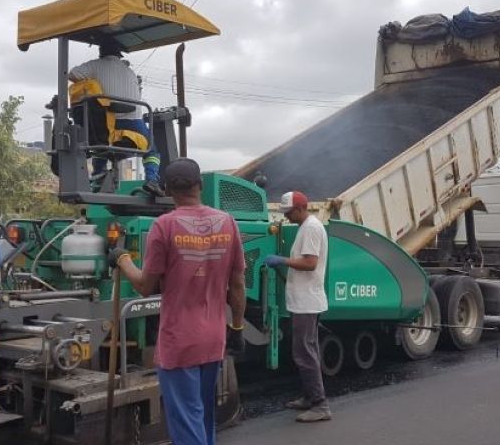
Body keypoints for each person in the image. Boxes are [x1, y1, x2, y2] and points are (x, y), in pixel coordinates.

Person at [110, 158, 246, 445]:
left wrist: (123, 260)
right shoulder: (228, 223)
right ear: (200, 185)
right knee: (203, 418)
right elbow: (237, 284)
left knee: (187, 425)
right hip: (213, 340)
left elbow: (145, 286)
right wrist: (237, 328)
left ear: (168, 190)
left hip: (179, 342)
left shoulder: (164, 226)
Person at [264, 191, 332, 422]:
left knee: (304, 353)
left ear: (301, 208)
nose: (287, 216)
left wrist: (282, 260)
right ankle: (310, 397)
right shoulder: (306, 226)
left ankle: (320, 405)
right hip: (304, 300)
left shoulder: (311, 228)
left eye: (289, 212)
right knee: (307, 350)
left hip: (307, 302)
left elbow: (310, 263)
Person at [68, 39, 163, 196]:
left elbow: (72, 74)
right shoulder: (130, 72)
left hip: (106, 124)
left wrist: (92, 81)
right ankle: (151, 180)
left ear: (101, 52)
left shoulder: (95, 65)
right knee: (152, 150)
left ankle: (98, 176)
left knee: (101, 141)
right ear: (119, 55)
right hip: (134, 124)